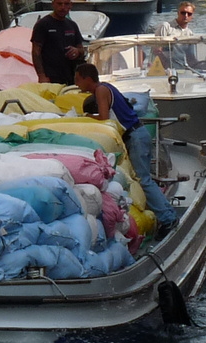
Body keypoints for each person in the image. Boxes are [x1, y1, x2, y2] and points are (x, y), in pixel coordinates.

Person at [74, 62, 176, 231]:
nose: (76, 84)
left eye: (78, 80)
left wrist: (86, 118)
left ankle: (168, 218)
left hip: (135, 136)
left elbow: (105, 117)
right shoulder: (106, 87)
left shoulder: (100, 90)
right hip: (138, 134)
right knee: (145, 179)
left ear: (87, 78)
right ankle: (167, 214)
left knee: (144, 180)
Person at [29, 0, 85, 85]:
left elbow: (81, 49)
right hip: (51, 77)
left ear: (70, 5)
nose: (62, 7)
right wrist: (41, 75)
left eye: (66, 4)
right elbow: (36, 51)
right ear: (53, 4)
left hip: (70, 76)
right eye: (59, 4)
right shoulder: (43, 24)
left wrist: (77, 51)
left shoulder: (72, 25)